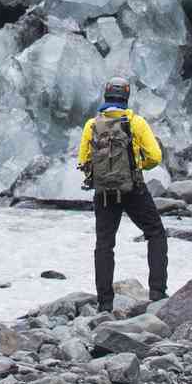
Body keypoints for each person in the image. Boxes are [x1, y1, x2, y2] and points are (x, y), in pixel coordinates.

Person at [77, 75, 167, 312]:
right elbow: (155, 156)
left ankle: (104, 303)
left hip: (104, 192)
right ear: (126, 96)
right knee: (155, 232)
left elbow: (83, 160)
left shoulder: (91, 125)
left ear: (106, 95)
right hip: (134, 188)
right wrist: (137, 168)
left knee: (104, 244)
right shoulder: (136, 122)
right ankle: (157, 293)